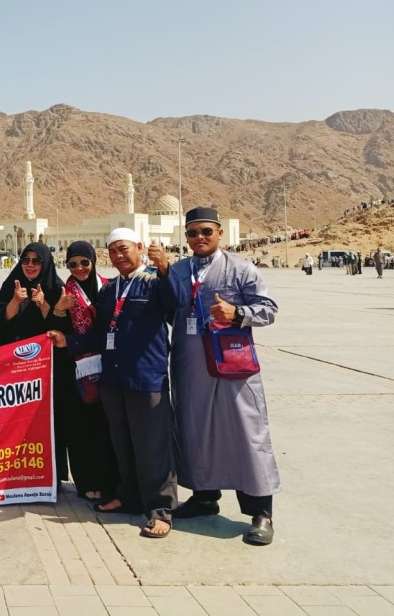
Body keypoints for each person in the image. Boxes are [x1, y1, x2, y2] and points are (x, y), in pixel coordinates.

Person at [48, 228, 187, 539]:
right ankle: (129, 496)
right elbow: (99, 333)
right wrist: (67, 341)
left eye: (124, 249)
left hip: (145, 377)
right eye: (112, 251)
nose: (119, 256)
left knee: (153, 446)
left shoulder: (153, 281)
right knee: (122, 443)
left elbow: (177, 302)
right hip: (113, 378)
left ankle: (160, 509)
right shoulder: (110, 290)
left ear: (139, 247)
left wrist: (165, 268)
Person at [167, 207, 281, 545]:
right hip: (189, 366)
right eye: (192, 233)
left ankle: (261, 512)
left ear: (220, 234)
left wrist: (238, 313)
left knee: (246, 432)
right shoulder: (177, 271)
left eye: (206, 231)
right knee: (195, 429)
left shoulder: (241, 268)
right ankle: (204, 498)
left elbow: (269, 309)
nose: (199, 238)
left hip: (232, 365)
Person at [48, 241, 118, 501]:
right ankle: (86, 481)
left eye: (84, 262)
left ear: (93, 261)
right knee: (81, 429)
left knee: (106, 427)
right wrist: (59, 309)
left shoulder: (108, 287)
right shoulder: (63, 291)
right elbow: (54, 331)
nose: (78, 268)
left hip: (107, 365)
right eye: (72, 264)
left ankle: (108, 480)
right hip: (74, 370)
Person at [0, 242, 63, 343]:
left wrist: (43, 305)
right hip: (15, 349)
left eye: (36, 261)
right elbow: (1, 321)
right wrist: (15, 301)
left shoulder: (57, 289)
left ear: (45, 263)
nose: (30, 265)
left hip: (45, 352)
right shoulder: (11, 284)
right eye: (26, 260)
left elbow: (61, 325)